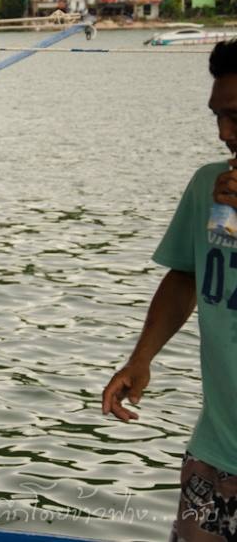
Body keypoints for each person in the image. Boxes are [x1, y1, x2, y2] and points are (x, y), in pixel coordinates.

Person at [101, 39, 237, 541]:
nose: (224, 134)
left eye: (236, 118)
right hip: (216, 455)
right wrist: (141, 358)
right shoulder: (210, 187)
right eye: (218, 117)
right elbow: (185, 275)